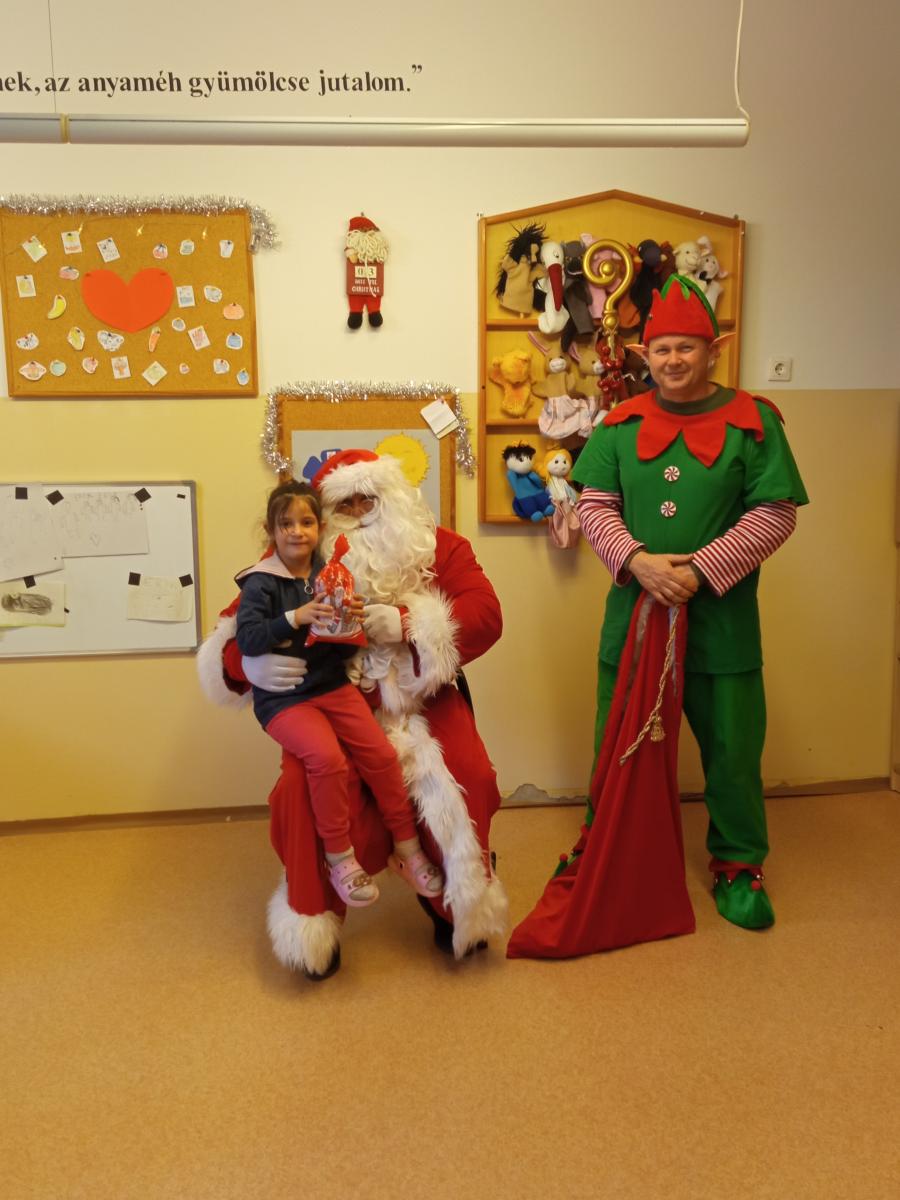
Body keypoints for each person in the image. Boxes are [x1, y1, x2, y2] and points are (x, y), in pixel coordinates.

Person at [198, 450, 507, 977]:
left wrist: (408, 623)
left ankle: (458, 904)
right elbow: (232, 630)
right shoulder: (293, 557)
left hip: (422, 700)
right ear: (323, 516)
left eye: (372, 499)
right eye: (346, 504)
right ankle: (314, 920)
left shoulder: (440, 547)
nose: (361, 512)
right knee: (300, 788)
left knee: (469, 773)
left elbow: (486, 615)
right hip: (330, 699)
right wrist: (247, 663)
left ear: (397, 500)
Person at [571, 275, 809, 930]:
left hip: (721, 624)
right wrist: (638, 562)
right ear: (644, 355)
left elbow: (775, 513)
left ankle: (738, 863)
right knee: (618, 738)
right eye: (662, 349)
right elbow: (595, 506)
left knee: (733, 748)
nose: (673, 359)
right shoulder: (619, 423)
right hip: (636, 618)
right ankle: (603, 842)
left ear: (713, 350)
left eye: (686, 347)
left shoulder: (756, 421)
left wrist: (701, 570)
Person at [235, 481, 443, 910]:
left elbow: (339, 645)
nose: (297, 532)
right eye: (286, 524)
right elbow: (248, 639)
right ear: (271, 531)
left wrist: (349, 623)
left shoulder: (327, 572)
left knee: (381, 756)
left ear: (321, 527)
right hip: (285, 700)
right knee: (327, 760)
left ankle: (406, 847)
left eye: (306, 522)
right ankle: (340, 858)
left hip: (331, 685)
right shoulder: (261, 583)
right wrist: (294, 617)